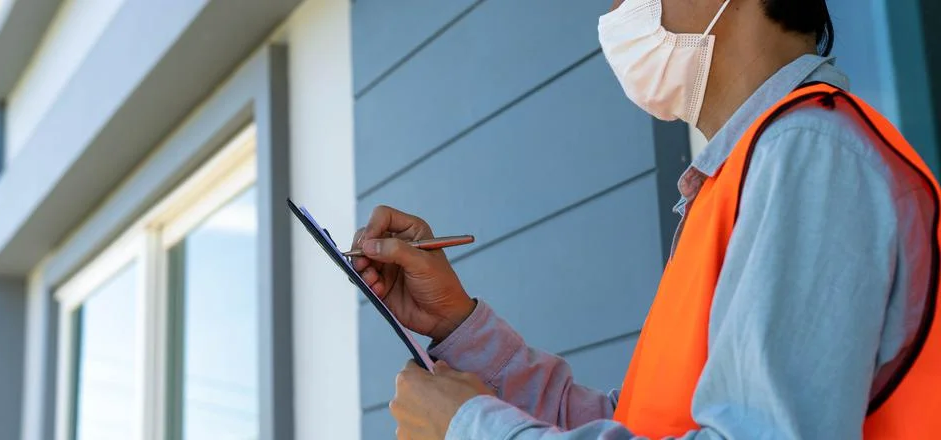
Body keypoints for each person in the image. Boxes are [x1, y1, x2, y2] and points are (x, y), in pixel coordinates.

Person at [350, 0, 941, 438]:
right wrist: (459, 328)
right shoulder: (747, 174)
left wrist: (468, 429)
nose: (614, 12)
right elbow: (639, 426)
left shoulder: (811, 153)